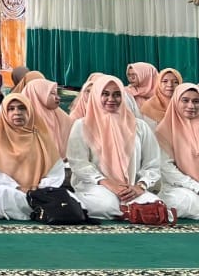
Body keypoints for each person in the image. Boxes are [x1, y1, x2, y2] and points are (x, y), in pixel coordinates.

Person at [68, 76, 164, 220]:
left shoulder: (139, 126)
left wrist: (140, 186)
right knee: (106, 204)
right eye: (105, 94)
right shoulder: (82, 125)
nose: (111, 99)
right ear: (96, 95)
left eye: (117, 94)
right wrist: (109, 184)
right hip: (96, 185)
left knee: (156, 202)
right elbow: (79, 163)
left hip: (130, 187)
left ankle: (127, 211)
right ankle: (129, 212)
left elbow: (153, 163)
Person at [154, 83, 199, 218]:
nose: (191, 106)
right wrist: (195, 186)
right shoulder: (164, 130)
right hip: (179, 187)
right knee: (188, 201)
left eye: (196, 101)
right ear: (175, 102)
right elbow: (166, 168)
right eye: (185, 100)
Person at [19, 76, 73, 160]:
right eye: (52, 93)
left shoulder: (59, 115)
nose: (58, 97)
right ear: (38, 95)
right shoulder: (21, 119)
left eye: (56, 93)